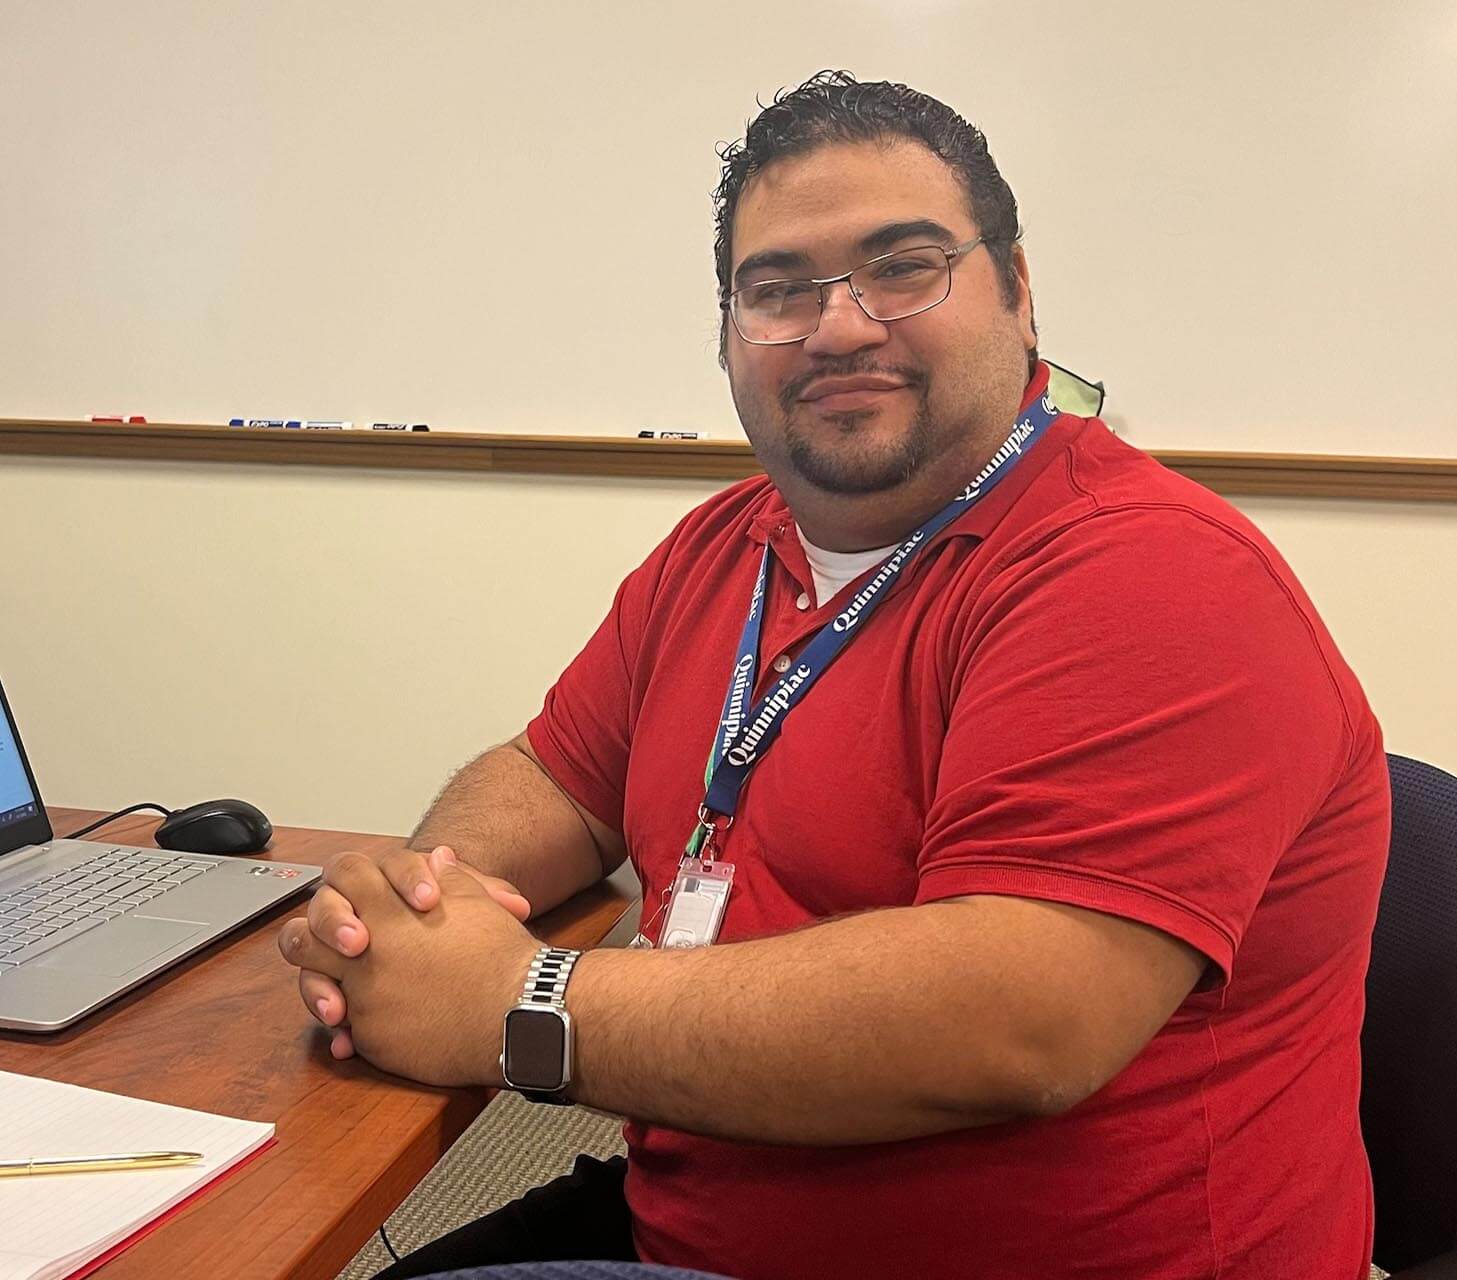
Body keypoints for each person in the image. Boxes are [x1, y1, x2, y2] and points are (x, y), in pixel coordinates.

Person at [278, 70, 1391, 1280]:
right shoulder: (725, 547)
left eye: (902, 266)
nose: (840, 325)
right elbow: (554, 770)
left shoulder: (1151, 572)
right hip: (707, 1213)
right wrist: (417, 901)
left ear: (1018, 292)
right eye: (777, 289)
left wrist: (524, 1000)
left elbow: (1016, 1022)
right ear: (726, 333)